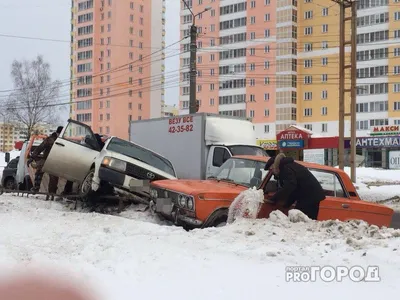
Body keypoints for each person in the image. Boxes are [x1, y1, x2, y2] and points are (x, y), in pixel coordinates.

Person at [264, 153, 326, 220]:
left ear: (274, 166)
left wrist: (274, 198)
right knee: (306, 220)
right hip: (311, 195)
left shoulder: (285, 168)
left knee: (297, 218)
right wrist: (287, 204)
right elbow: (294, 189)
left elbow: (290, 186)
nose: (272, 172)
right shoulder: (288, 166)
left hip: (309, 196)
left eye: (271, 169)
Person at [28, 126, 73, 197]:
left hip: (55, 161)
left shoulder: (63, 141)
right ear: (59, 133)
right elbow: (40, 147)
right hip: (46, 159)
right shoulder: (50, 139)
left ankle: (52, 193)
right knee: (40, 170)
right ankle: (36, 188)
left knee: (54, 178)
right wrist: (32, 157)